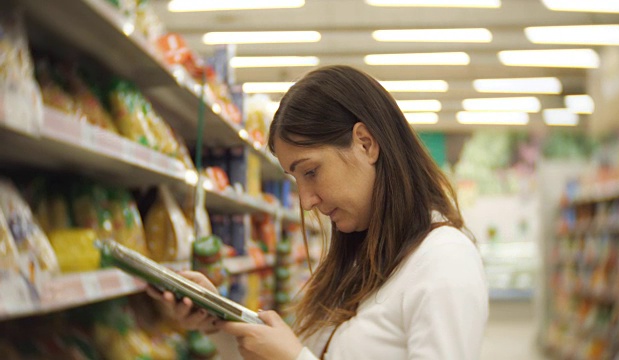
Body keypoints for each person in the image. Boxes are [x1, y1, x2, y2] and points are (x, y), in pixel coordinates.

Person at [148, 65, 488, 359]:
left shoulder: (445, 260)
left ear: (366, 143)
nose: (306, 200)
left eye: (310, 172)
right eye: (296, 179)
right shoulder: (361, 261)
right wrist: (218, 325)